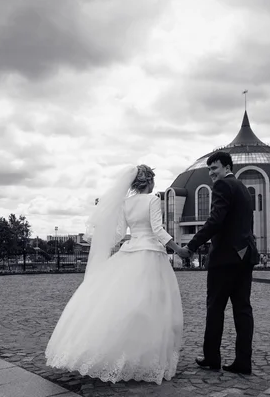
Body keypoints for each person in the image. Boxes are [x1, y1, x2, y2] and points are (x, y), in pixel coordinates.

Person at [45, 165, 186, 385]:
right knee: (152, 305)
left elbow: (119, 234)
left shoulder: (125, 204)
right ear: (149, 181)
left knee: (124, 302)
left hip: (130, 252)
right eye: (154, 179)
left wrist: (98, 239)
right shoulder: (152, 200)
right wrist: (179, 250)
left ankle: (117, 353)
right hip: (150, 254)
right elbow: (158, 230)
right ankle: (145, 356)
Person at [178, 151, 258, 375]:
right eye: (209, 169)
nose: (211, 173)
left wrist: (192, 246)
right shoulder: (243, 188)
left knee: (215, 308)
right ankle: (244, 361)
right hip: (244, 256)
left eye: (214, 168)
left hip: (225, 259)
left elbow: (215, 220)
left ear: (226, 167)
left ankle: (212, 357)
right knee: (243, 309)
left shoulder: (223, 186)